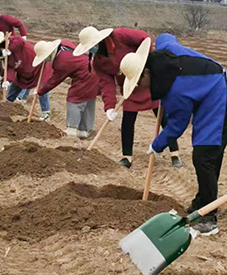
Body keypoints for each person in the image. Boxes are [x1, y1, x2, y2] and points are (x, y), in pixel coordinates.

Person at [119, 34, 227, 235]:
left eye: (138, 83)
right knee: (207, 155)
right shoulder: (166, 53)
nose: (139, 88)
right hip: (213, 92)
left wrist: (157, 145)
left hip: (226, 101)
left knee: (205, 156)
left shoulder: (176, 90)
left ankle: (208, 218)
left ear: (146, 72)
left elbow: (177, 124)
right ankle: (203, 203)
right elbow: (167, 38)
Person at [73, 26, 182, 168]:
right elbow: (107, 84)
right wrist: (109, 107)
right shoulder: (98, 62)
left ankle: (175, 153)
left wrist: (142, 63)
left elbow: (145, 39)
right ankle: (127, 157)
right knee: (128, 122)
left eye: (93, 45)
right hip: (129, 86)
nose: (92, 49)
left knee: (162, 117)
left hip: (146, 79)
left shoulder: (120, 36)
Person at [33, 39, 99, 138]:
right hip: (93, 69)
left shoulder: (61, 62)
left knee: (75, 98)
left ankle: (72, 129)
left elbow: (54, 81)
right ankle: (84, 130)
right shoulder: (64, 44)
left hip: (86, 75)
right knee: (87, 99)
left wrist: (40, 91)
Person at [0, 32, 52, 121]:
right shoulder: (5, 57)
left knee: (42, 89)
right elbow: (10, 69)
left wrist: (9, 49)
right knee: (15, 86)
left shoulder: (13, 41)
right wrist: (7, 80)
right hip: (24, 73)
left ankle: (45, 113)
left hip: (39, 68)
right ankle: (7, 105)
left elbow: (21, 41)